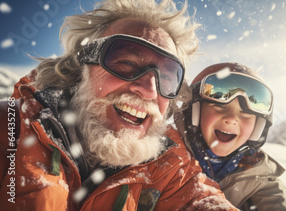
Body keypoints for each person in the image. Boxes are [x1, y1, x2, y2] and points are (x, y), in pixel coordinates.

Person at [0, 0, 238, 210]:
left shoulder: (170, 165)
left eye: (166, 78)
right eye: (125, 62)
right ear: (81, 67)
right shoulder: (11, 129)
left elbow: (201, 201)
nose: (148, 90)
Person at [175, 62, 286, 210]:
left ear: (257, 128)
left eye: (245, 113)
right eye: (220, 106)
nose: (232, 119)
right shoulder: (164, 153)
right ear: (195, 112)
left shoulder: (257, 176)